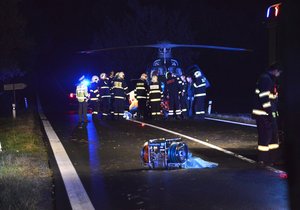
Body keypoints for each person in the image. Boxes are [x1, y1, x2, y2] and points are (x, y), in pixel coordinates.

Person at [252, 63, 282, 165]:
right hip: (263, 113)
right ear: (275, 70)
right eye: (279, 72)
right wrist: (269, 112)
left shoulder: (270, 79)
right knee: (266, 136)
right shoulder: (265, 79)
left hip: (268, 112)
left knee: (273, 136)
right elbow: (264, 97)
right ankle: (263, 159)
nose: (279, 74)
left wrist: (274, 113)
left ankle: (272, 159)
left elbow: (272, 99)